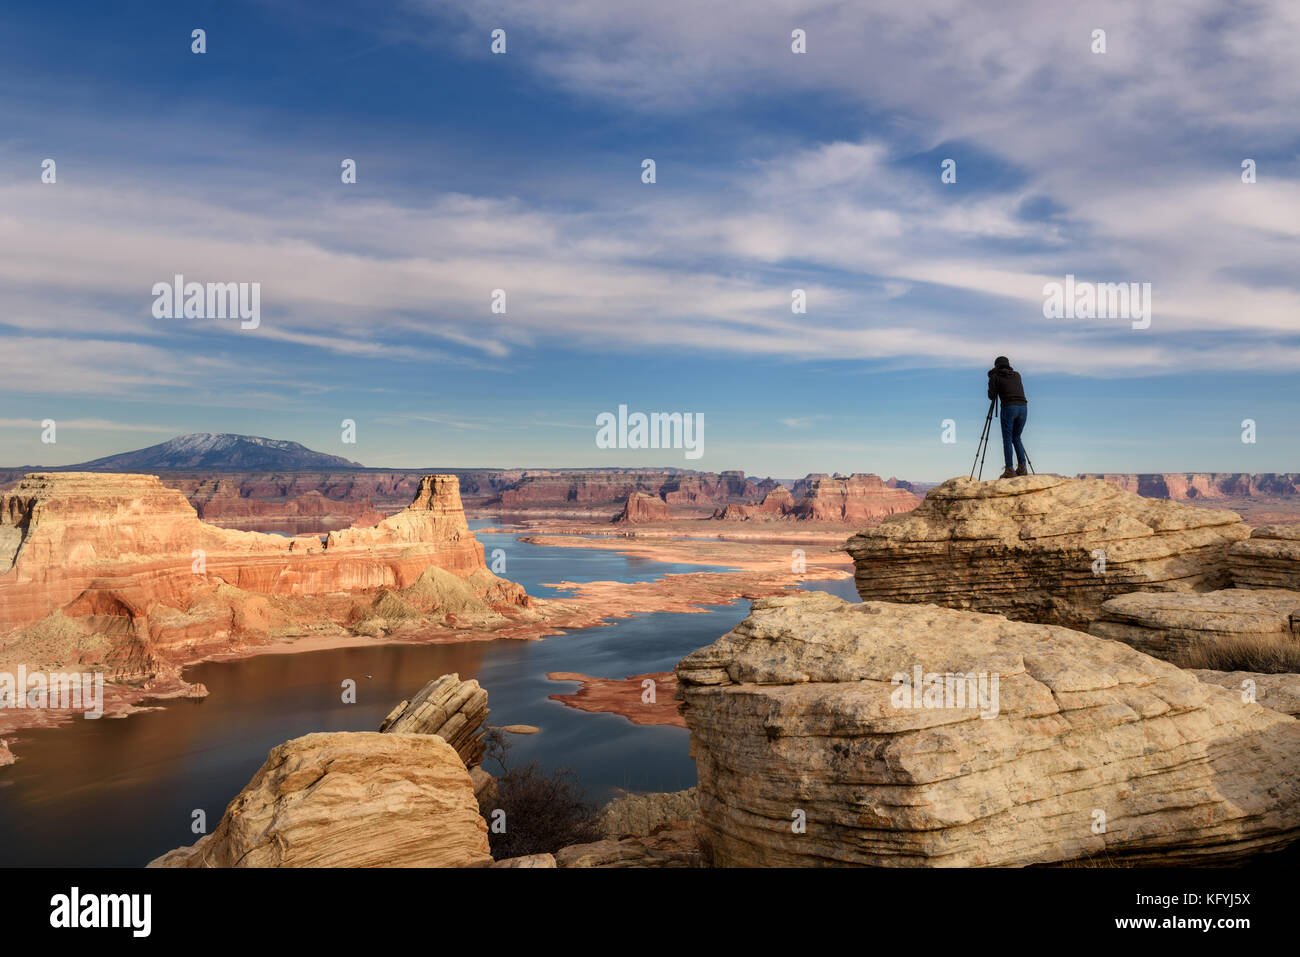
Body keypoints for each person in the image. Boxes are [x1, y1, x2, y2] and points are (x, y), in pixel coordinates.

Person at [987, 356, 1028, 478]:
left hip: (1009, 408)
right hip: (1023, 408)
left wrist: (991, 378)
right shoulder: (1017, 375)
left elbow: (991, 395)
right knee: (1017, 437)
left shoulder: (995, 377)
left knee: (1007, 439)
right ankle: (1022, 467)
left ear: (996, 366)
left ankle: (1009, 469)